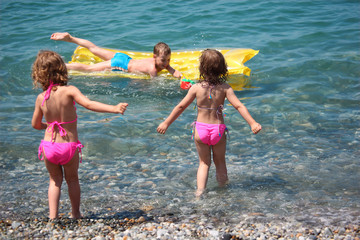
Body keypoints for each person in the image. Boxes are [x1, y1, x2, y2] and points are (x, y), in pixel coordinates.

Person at [31, 50, 128, 219]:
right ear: (62, 69)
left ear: (39, 73)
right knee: (72, 180)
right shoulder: (70, 91)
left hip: (49, 147)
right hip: (68, 146)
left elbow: (35, 124)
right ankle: (75, 214)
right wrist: (114, 108)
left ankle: (53, 217)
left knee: (54, 181)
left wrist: (50, 126)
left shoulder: (41, 98)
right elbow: (89, 104)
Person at [157, 49, 262, 197]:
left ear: (202, 68)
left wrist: (166, 123)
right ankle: (224, 193)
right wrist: (252, 123)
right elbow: (239, 106)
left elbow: (180, 107)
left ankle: (200, 192)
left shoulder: (196, 88)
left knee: (204, 163)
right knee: (220, 163)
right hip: (218, 130)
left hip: (201, 131)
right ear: (222, 69)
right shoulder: (225, 88)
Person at [50, 32, 182, 78]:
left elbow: (165, 66)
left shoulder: (156, 60)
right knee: (89, 69)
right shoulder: (153, 69)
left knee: (94, 48)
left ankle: (71, 38)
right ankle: (60, 65)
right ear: (155, 57)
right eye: (164, 60)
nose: (166, 63)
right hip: (120, 64)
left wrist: (170, 69)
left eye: (168, 60)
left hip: (123, 56)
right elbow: (154, 85)